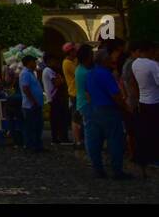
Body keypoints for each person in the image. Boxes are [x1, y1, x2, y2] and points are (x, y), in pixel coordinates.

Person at [84, 40, 132, 180]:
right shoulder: (106, 74)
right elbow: (115, 95)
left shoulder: (90, 73)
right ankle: (117, 170)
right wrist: (125, 106)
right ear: (105, 60)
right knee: (115, 141)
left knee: (94, 141)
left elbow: (87, 94)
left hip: (93, 109)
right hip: (108, 110)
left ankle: (98, 169)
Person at [131, 39, 158, 178]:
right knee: (155, 132)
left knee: (145, 132)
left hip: (143, 100)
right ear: (149, 50)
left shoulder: (135, 64)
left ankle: (144, 159)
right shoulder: (153, 65)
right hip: (155, 101)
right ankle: (154, 157)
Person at [19, 54, 45, 152]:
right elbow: (25, 88)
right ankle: (31, 145)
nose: (35, 63)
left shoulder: (31, 73)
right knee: (31, 126)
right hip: (30, 105)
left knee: (38, 126)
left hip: (35, 104)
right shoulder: (25, 73)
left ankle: (37, 144)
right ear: (29, 62)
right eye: (33, 62)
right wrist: (33, 101)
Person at [62, 43, 83, 150]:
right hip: (74, 92)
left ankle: (79, 139)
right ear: (70, 52)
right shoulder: (67, 63)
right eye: (74, 51)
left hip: (77, 92)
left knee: (79, 116)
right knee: (76, 118)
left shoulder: (72, 61)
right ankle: (77, 140)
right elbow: (78, 72)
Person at [45, 57, 70, 145]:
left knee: (57, 118)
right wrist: (61, 79)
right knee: (58, 119)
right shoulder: (48, 71)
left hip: (55, 98)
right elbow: (57, 83)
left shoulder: (50, 70)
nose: (56, 63)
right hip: (55, 97)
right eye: (54, 61)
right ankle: (59, 138)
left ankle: (57, 137)